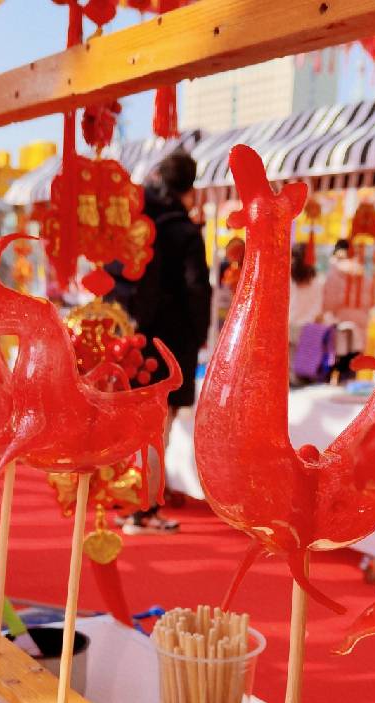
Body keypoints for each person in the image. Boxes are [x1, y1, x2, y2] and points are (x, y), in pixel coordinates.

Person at [110, 150, 212, 535]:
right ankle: (145, 508)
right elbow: (196, 289)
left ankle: (129, 501)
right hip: (171, 343)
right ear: (189, 188)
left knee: (137, 426)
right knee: (158, 429)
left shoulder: (143, 223)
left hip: (135, 340)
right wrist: (199, 335)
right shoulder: (184, 232)